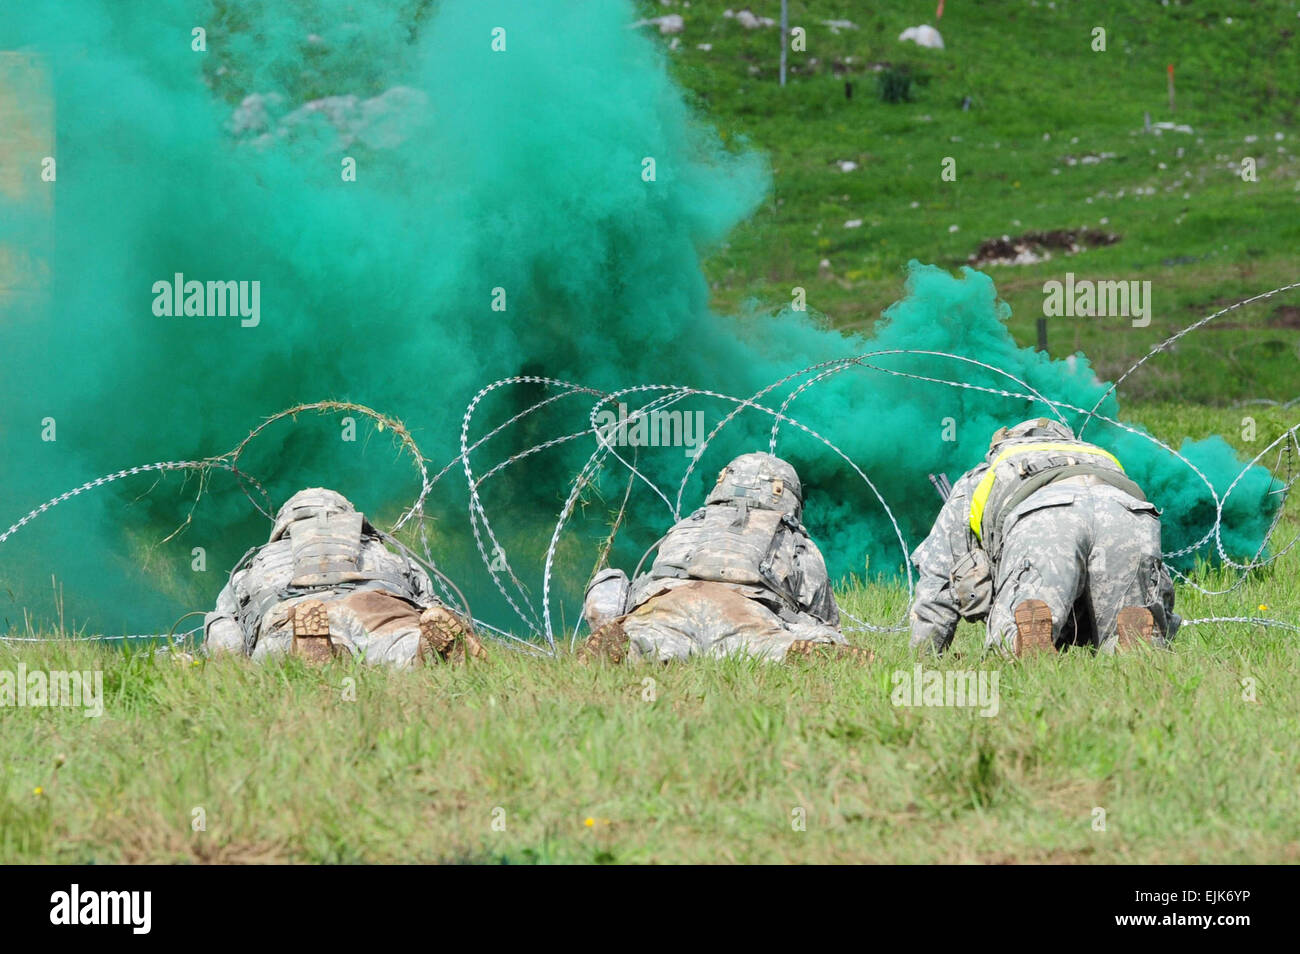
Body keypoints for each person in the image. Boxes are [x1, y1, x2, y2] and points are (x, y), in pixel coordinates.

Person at [910, 418, 1179, 656]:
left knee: (1018, 624)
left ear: (1002, 445)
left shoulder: (983, 474)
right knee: (1128, 623)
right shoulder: (1099, 457)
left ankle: (1026, 643)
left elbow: (938, 580)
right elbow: (1159, 580)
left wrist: (924, 654)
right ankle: (1133, 643)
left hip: (1045, 518)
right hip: (1128, 515)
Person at [579, 452, 869, 663]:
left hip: (665, 600)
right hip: (745, 611)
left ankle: (630, 638)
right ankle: (785, 650)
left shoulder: (687, 525)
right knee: (757, 645)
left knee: (654, 634)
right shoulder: (796, 541)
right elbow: (824, 619)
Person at [203, 487, 484, 666]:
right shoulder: (383, 552)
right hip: (377, 607)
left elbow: (224, 629)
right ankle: (425, 651)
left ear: (284, 523)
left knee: (273, 654)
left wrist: (224, 659)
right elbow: (429, 604)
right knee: (397, 644)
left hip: (294, 612)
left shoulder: (258, 564)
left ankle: (313, 650)